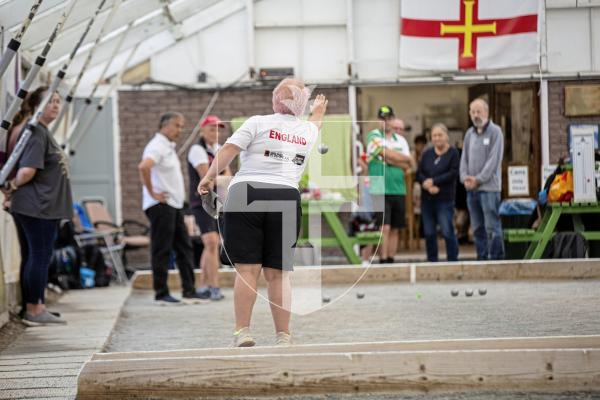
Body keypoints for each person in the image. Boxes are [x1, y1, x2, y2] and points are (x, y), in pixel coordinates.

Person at [198, 78, 327, 347]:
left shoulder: (257, 122)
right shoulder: (307, 131)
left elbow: (229, 150)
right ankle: (283, 335)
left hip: (247, 193)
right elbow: (315, 124)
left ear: (274, 101)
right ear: (300, 107)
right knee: (279, 273)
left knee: (246, 270)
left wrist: (209, 177)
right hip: (285, 196)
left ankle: (242, 331)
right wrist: (318, 112)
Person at [1, 87, 71, 325]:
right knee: (39, 255)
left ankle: (31, 307)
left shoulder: (33, 129)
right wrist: (11, 185)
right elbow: (27, 170)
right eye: (50, 101)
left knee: (32, 255)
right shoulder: (35, 131)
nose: (55, 106)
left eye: (58, 102)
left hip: (35, 204)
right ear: (37, 105)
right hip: (38, 206)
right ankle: (35, 309)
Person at [138, 112, 204, 305]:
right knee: (162, 249)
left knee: (185, 247)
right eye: (177, 125)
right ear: (165, 126)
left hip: (174, 206)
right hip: (161, 206)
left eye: (182, 126)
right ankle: (161, 293)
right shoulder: (157, 145)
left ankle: (189, 291)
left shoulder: (167, 147)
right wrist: (152, 193)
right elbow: (144, 167)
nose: (180, 130)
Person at [187, 115, 231, 301]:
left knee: (211, 245)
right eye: (211, 129)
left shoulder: (219, 150)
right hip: (202, 202)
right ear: (202, 130)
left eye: (218, 129)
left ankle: (203, 285)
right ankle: (214, 286)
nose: (216, 132)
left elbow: (228, 175)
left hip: (218, 202)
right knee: (212, 243)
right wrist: (220, 178)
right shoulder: (197, 150)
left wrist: (221, 179)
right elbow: (208, 180)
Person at [460, 98, 505, 260]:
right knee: (477, 228)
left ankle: (496, 259)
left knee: (491, 227)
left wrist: (478, 179)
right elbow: (463, 158)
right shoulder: (469, 134)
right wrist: (464, 177)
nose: (476, 115)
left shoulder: (496, 132)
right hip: (471, 190)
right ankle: (482, 258)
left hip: (489, 190)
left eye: (479, 111)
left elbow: (493, 161)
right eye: (473, 112)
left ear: (486, 112)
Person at [367, 108, 413, 263]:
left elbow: (408, 165)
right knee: (384, 227)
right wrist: (397, 159)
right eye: (383, 118)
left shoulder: (401, 140)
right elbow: (387, 154)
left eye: (389, 118)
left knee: (395, 227)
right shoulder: (373, 135)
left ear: (393, 119)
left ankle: (391, 260)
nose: (386, 121)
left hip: (398, 188)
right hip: (380, 189)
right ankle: (383, 260)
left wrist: (392, 160)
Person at [417, 123, 460, 262]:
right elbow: (419, 173)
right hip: (427, 200)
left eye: (440, 135)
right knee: (429, 233)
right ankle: (432, 260)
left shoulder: (453, 153)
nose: (437, 138)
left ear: (446, 136)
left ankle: (452, 260)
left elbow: (453, 173)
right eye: (434, 135)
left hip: (445, 199)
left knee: (447, 231)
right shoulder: (427, 153)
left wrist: (434, 181)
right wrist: (426, 184)